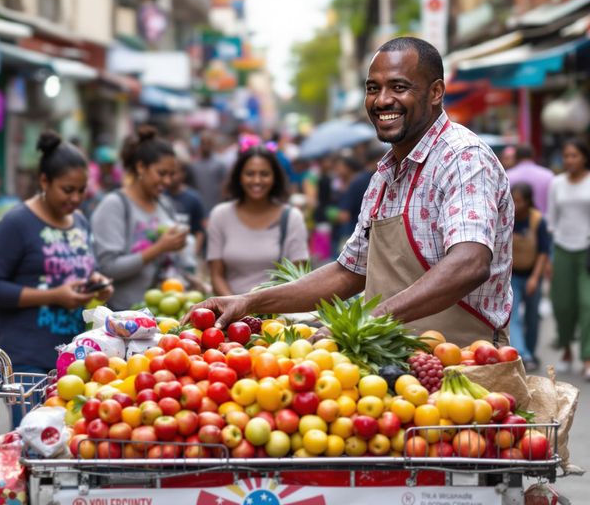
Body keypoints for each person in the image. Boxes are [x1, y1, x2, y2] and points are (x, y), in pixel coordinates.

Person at [190, 37, 513, 350]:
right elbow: (348, 272)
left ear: (435, 92)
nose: (382, 100)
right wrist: (249, 301)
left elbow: (469, 262)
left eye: (399, 87)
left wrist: (367, 320)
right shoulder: (385, 176)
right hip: (395, 366)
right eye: (373, 89)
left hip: (465, 367)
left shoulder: (462, 157)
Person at [0, 132, 113, 425]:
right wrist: (53, 296)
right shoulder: (16, 223)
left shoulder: (80, 222)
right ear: (44, 182)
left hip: (75, 358)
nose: (75, 199)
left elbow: (83, 270)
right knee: (35, 442)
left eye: (81, 191)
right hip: (27, 360)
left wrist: (97, 283)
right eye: (67, 190)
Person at [91, 126, 187, 310]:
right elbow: (108, 268)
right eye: (161, 173)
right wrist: (159, 248)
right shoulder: (115, 205)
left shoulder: (164, 204)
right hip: (124, 317)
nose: (167, 181)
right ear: (141, 167)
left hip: (163, 313)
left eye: (171, 174)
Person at [547, 138, 590, 381]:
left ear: (585, 157)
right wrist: (547, 258)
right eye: (566, 156)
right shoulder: (556, 183)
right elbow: (551, 222)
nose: (569, 160)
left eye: (574, 155)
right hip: (562, 248)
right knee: (563, 305)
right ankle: (566, 350)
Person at [206, 143, 309, 296]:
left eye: (264, 174)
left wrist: (263, 312)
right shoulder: (220, 215)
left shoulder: (292, 218)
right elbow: (216, 275)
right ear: (239, 177)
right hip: (231, 315)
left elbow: (299, 280)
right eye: (250, 174)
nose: (257, 180)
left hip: (278, 316)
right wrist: (237, 309)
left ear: (275, 178)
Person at [509, 183, 551, 372]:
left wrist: (535, 278)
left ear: (527, 202)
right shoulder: (507, 217)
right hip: (512, 275)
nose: (515, 205)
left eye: (518, 201)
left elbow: (544, 252)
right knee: (514, 315)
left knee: (533, 318)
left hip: (533, 273)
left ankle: (531, 352)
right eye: (513, 200)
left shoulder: (537, 220)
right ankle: (523, 354)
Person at [505, 144, 554, 215]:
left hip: (517, 223)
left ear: (516, 157)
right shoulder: (548, 175)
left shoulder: (507, 177)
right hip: (544, 221)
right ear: (533, 156)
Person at [190, 131, 230, 215]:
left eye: (208, 143)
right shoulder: (194, 165)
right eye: (203, 143)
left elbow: (225, 185)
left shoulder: (220, 164)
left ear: (212, 145)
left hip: (216, 206)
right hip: (199, 208)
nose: (205, 146)